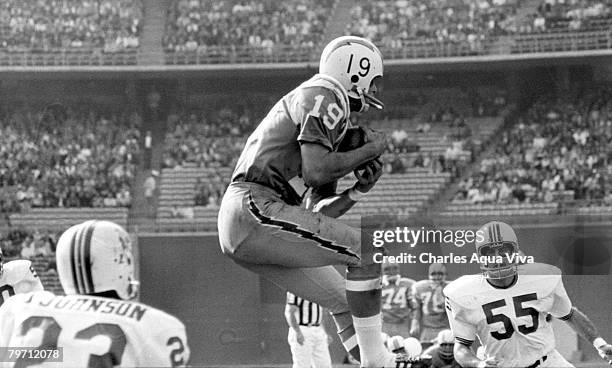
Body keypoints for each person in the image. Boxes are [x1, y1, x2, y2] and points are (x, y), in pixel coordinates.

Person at [217, 36, 402, 367]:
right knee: (368, 252)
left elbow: (318, 212)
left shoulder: (326, 116)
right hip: (255, 205)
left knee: (346, 301)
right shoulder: (325, 94)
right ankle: (379, 362)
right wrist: (370, 149)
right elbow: (316, 172)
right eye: (372, 81)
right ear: (354, 70)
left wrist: (356, 191)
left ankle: (371, 361)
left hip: (255, 217)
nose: (374, 92)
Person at [0, 220, 190, 367]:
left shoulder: (19, 307)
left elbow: (7, 355)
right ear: (120, 263)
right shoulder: (155, 324)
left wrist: (57, 353)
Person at [444, 221, 612, 368]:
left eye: (504, 251)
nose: (497, 258)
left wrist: (600, 344)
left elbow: (569, 314)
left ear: (515, 252)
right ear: (480, 257)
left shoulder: (541, 278)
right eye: (489, 252)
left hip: (548, 362)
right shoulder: (462, 293)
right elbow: (461, 347)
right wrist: (478, 364)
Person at [285, 292, 333, 368]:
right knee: (302, 365)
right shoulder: (295, 290)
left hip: (318, 329)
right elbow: (289, 312)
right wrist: (297, 332)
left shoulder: (319, 290)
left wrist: (325, 332)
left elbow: (322, 313)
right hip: (303, 329)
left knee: (325, 365)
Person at [410, 263, 450, 345]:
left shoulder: (450, 288)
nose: (437, 277)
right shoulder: (420, 287)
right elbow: (417, 308)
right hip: (427, 329)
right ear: (429, 275)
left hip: (445, 329)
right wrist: (415, 322)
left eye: (440, 273)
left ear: (445, 275)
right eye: (433, 274)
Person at [381, 261, 415, 338]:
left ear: (399, 269)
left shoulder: (408, 284)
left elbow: (415, 306)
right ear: (382, 271)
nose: (391, 272)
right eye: (387, 269)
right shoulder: (376, 285)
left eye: (395, 268)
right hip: (384, 324)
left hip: (403, 324)